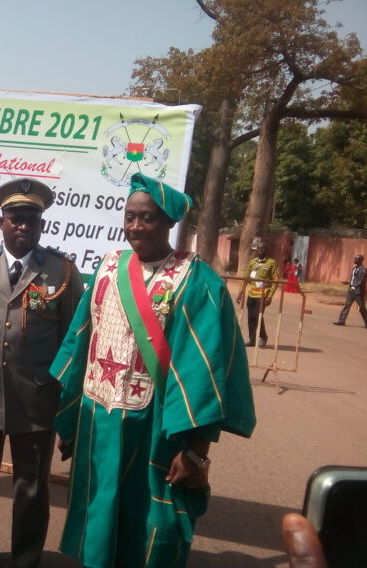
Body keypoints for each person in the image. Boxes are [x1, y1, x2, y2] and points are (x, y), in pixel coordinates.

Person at [52, 173, 256, 568]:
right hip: (99, 419)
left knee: (151, 523)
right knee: (98, 510)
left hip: (156, 427)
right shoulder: (109, 268)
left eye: (146, 218)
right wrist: (70, 420)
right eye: (129, 217)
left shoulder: (197, 281)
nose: (135, 226)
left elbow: (203, 370)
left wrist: (196, 451)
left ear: (168, 223)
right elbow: (81, 345)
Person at [0, 179, 83, 568]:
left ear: (41, 223)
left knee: (31, 485)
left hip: (36, 395)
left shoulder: (61, 270)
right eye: (15, 218)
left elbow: (71, 340)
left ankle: (26, 557)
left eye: (31, 219)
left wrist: (64, 399)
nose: (23, 226)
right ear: (1, 220)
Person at [236, 239, 279, 347]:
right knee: (251, 317)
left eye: (263, 248)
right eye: (259, 248)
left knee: (257, 316)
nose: (260, 250)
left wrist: (270, 296)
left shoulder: (272, 263)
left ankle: (263, 336)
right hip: (252, 294)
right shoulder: (252, 262)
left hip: (263, 294)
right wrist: (240, 292)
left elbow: (275, 281)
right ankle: (252, 340)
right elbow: (245, 278)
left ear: (267, 250)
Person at [332, 254, 367, 329]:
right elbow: (354, 279)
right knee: (346, 306)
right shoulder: (354, 269)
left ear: (360, 260)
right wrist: (348, 282)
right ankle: (341, 321)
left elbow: (361, 280)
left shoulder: (363, 269)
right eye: (355, 258)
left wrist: (354, 287)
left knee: (362, 307)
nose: (354, 260)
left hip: (358, 292)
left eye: (356, 259)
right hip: (351, 291)